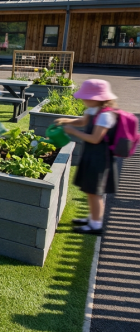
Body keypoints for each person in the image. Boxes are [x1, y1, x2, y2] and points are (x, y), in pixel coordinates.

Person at [55, 79, 119, 235]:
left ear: (96, 98)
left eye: (85, 97)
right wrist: (66, 121)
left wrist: (73, 132)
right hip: (92, 155)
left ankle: (96, 225)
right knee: (90, 190)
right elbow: (83, 121)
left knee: (95, 192)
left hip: (100, 158)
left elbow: (95, 138)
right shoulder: (93, 110)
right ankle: (92, 218)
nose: (82, 99)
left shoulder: (106, 115)